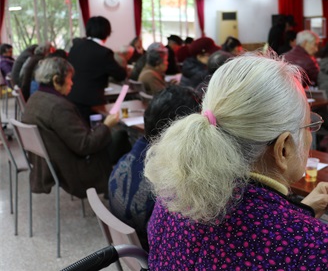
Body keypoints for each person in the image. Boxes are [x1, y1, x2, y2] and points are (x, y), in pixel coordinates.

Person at [144, 52, 328, 271]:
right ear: (283, 148)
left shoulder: (171, 202)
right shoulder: (314, 247)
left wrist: (303, 210)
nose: (310, 135)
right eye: (308, 126)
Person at [109, 86, 200, 250]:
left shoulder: (125, 161)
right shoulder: (166, 190)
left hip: (132, 250)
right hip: (152, 254)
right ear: (181, 130)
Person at [22, 57, 121, 198]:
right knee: (122, 140)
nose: (72, 83)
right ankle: (117, 195)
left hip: (48, 164)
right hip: (72, 170)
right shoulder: (58, 107)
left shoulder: (35, 98)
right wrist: (106, 125)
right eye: (69, 79)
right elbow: (85, 145)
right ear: (56, 80)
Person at [67, 16, 127, 121]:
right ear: (107, 32)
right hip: (91, 103)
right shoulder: (103, 52)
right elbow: (120, 75)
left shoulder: (76, 47)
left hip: (71, 97)